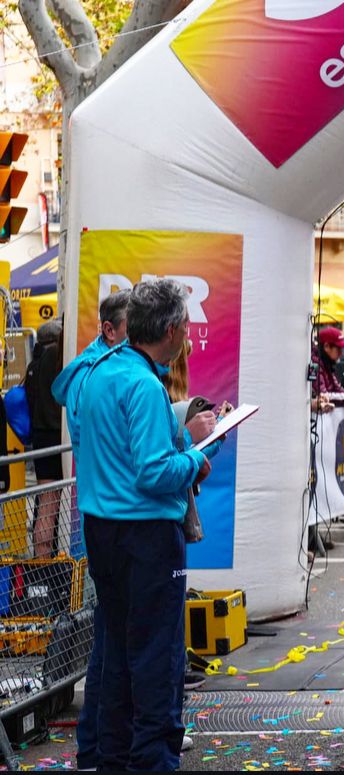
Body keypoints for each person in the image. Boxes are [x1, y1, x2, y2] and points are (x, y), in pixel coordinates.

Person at [74, 279, 223, 770]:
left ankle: (112, 757)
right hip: (146, 536)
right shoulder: (143, 384)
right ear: (172, 329)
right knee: (158, 657)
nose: (185, 335)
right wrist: (197, 460)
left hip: (102, 530)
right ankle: (154, 759)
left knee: (116, 652)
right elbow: (155, 471)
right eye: (184, 326)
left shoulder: (98, 372)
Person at [50, 289, 135, 770]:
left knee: (115, 636)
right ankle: (100, 744)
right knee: (112, 639)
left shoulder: (97, 371)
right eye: (132, 329)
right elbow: (115, 448)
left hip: (107, 513)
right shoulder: (95, 376)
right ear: (110, 330)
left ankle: (103, 742)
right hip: (109, 518)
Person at [25, 320, 64, 558]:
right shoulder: (55, 359)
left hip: (40, 436)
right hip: (55, 437)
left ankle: (43, 558)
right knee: (51, 504)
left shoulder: (33, 365)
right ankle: (44, 561)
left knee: (45, 501)